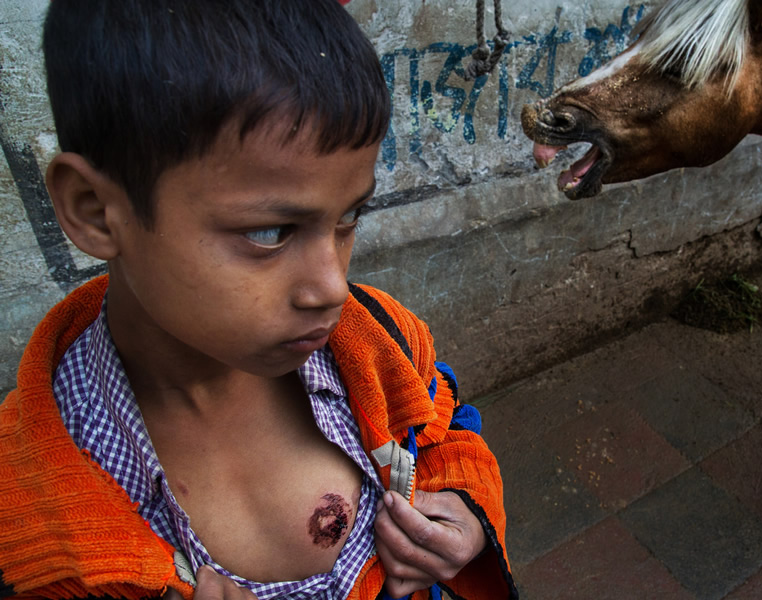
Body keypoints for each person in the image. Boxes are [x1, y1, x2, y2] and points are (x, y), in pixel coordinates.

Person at [0, 2, 516, 599]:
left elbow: (441, 429)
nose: (330, 288)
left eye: (348, 216)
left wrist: (465, 504)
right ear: (95, 210)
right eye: (269, 232)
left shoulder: (376, 344)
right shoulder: (35, 523)